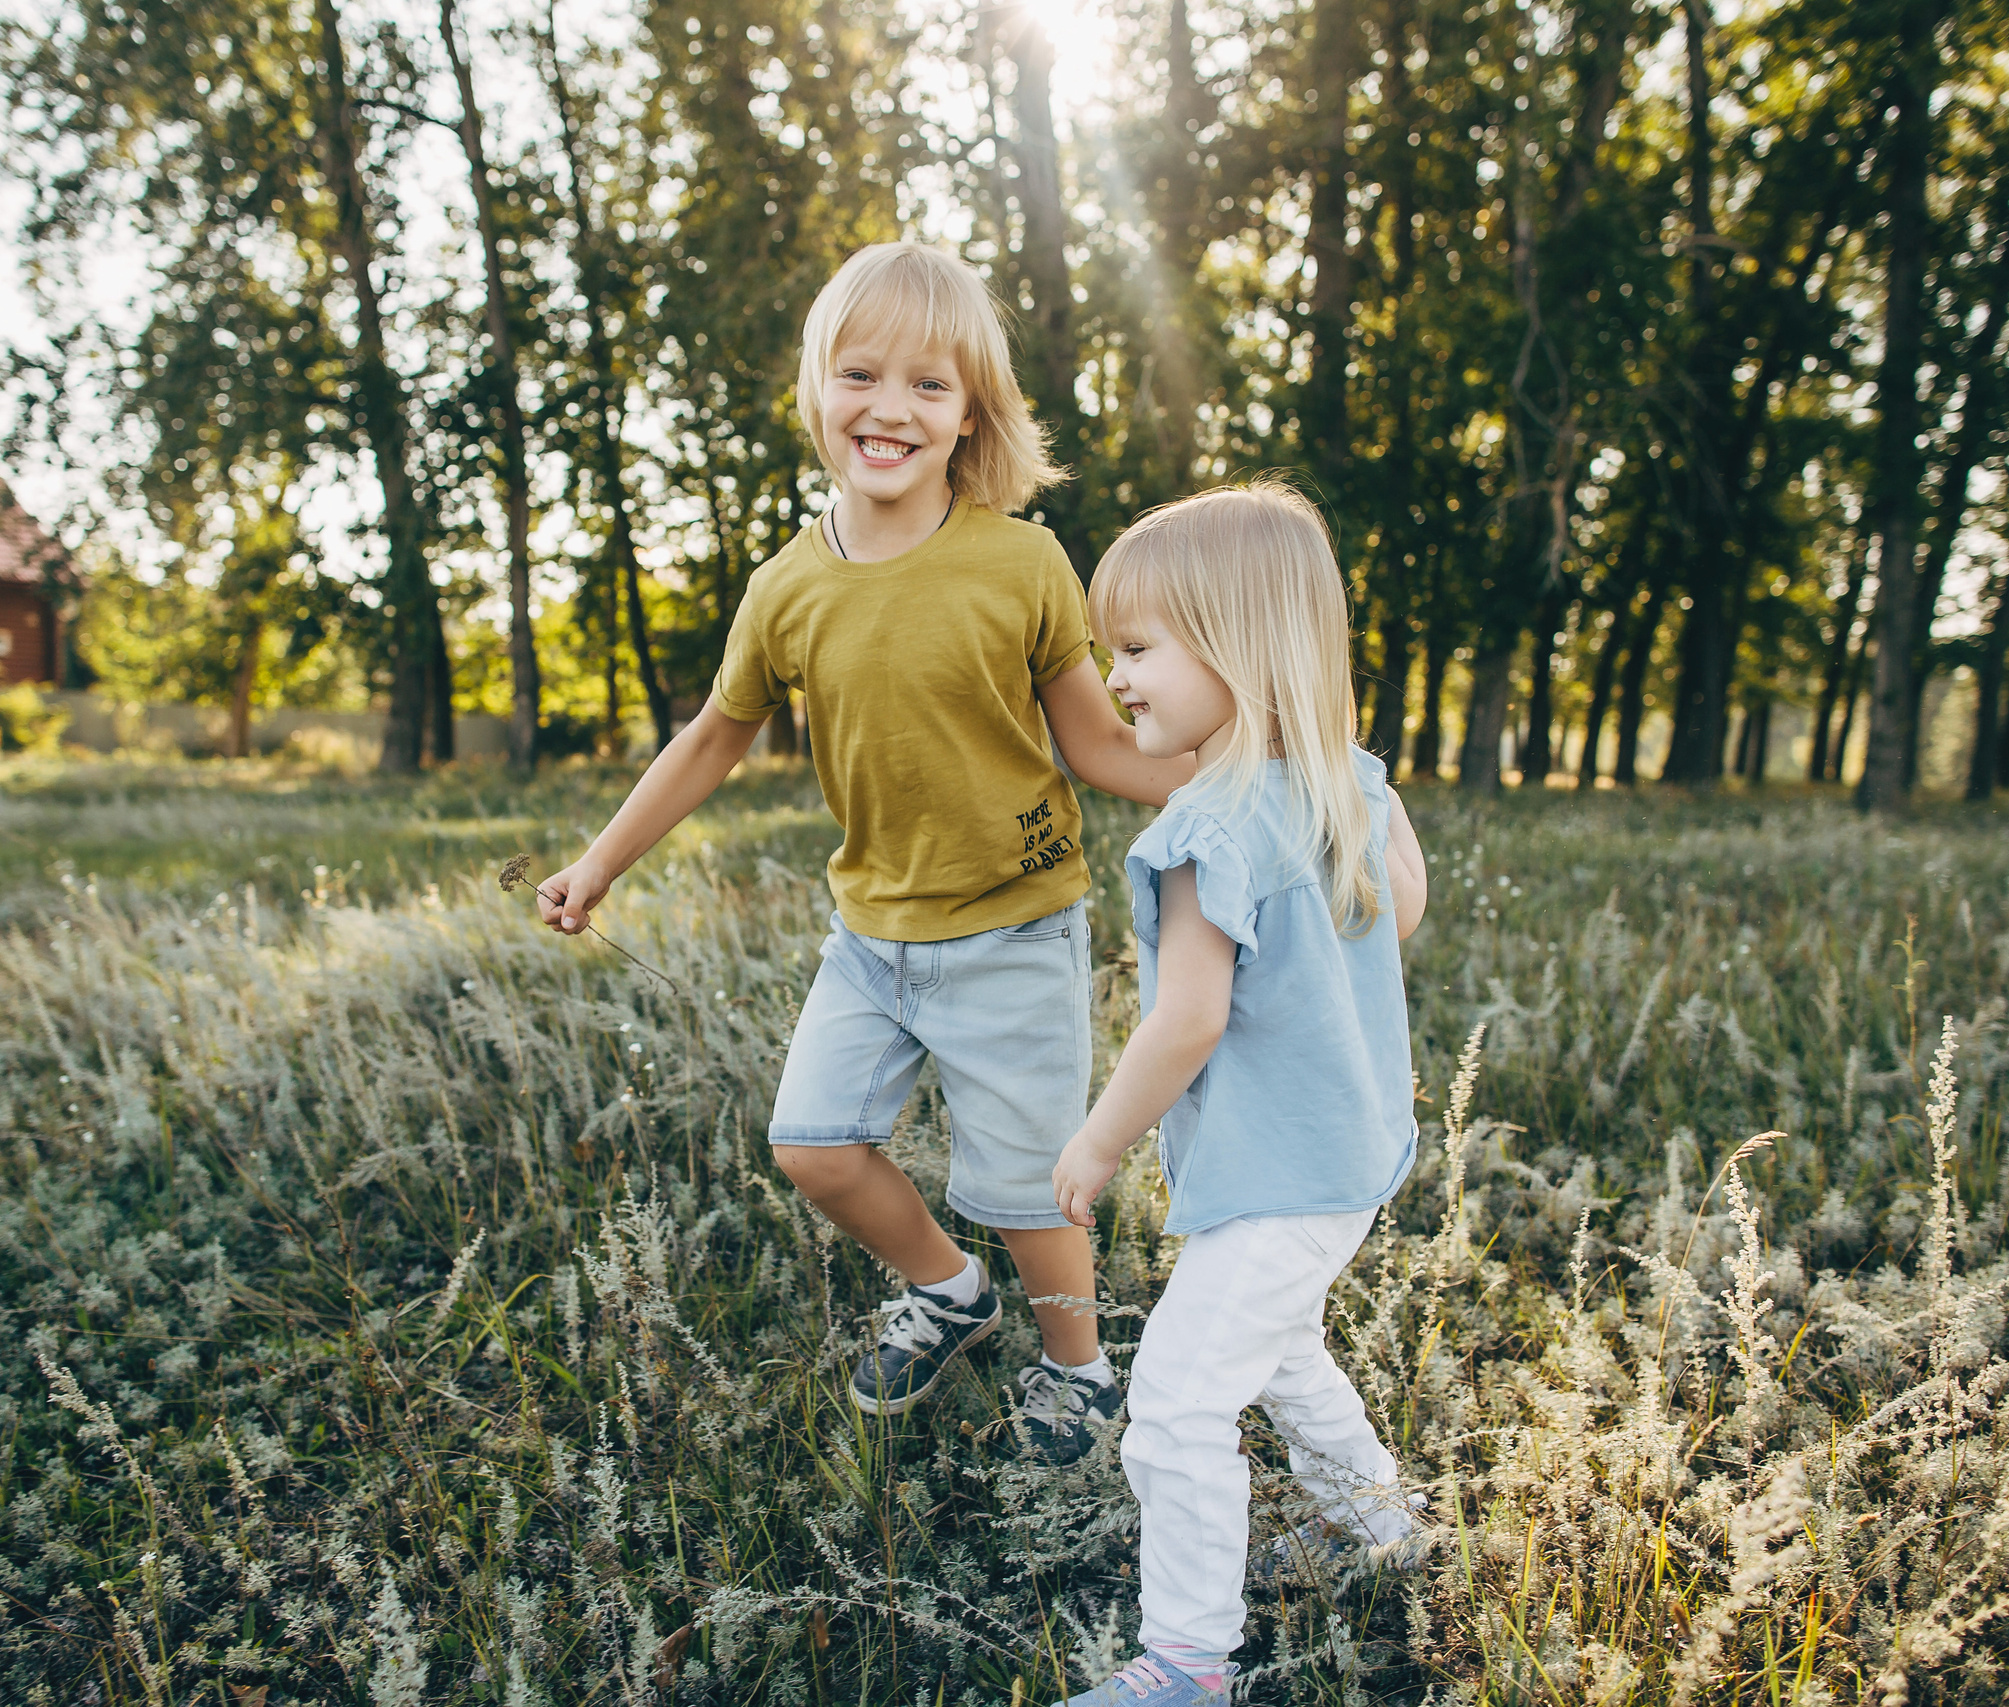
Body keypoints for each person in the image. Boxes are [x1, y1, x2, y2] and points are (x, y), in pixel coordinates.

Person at [534, 242, 1194, 1460]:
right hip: (870, 939)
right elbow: (708, 740)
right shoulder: (786, 588)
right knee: (814, 1147)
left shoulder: (1021, 561)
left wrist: (1248, 772)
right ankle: (947, 1291)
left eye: (929, 387)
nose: (890, 407)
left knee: (1025, 1190)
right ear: (816, 390)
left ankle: (1079, 1370)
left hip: (1011, 928)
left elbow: (1101, 746)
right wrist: (601, 860)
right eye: (861, 374)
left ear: (968, 416)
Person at [1042, 481, 1433, 1706]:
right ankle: (1387, 1528)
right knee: (1280, 1353)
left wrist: (1098, 1143)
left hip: (1274, 1179)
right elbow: (1403, 909)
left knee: (1170, 1407)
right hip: (1349, 1157)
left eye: (1142, 649)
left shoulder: (1200, 830)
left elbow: (1188, 1019)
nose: (1117, 680)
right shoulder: (1351, 786)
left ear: (1241, 648)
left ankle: (1186, 1665)